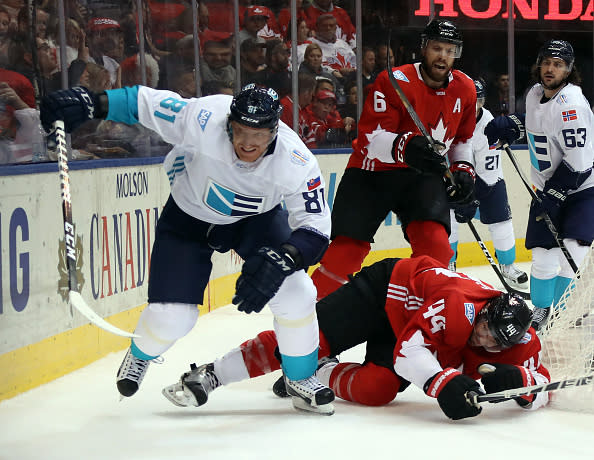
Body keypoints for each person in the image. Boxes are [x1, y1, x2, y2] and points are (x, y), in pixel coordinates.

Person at [39, 83, 333, 414]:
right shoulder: (205, 117)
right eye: (239, 131)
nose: (247, 143)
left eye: (259, 134)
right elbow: (144, 103)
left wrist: (286, 258)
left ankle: (300, 378)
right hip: (187, 218)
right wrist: (91, 102)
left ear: (274, 131)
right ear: (228, 124)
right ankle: (141, 353)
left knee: (297, 292)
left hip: (256, 221)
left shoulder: (295, 160)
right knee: (171, 319)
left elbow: (316, 228)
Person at [162, 255, 550, 420]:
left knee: (377, 390)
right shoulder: (458, 307)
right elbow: (409, 352)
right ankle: (211, 375)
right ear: (485, 309)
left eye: (495, 342)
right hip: (385, 294)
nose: (483, 339)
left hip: (410, 327)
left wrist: (523, 386)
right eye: (484, 326)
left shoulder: (516, 338)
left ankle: (314, 374)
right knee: (304, 344)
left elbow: (545, 380)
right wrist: (441, 382)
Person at [310, 19, 477, 300]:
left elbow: (462, 139)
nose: (443, 57)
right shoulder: (393, 81)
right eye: (437, 48)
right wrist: (406, 145)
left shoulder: (466, 89)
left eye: (450, 51)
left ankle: (424, 316)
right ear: (424, 48)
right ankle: (306, 318)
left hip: (421, 176)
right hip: (372, 173)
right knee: (345, 255)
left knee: (436, 249)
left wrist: (463, 169)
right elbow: (370, 139)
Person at [484, 39, 594, 331]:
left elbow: (580, 162)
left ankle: (562, 314)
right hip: (548, 190)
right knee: (543, 255)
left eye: (557, 64)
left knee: (572, 253)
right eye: (546, 62)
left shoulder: (572, 105)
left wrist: (556, 194)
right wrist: (512, 126)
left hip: (582, 190)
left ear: (568, 70)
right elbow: (536, 124)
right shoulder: (535, 94)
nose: (549, 69)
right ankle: (542, 311)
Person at [449, 78, 528, 287]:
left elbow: (488, 171)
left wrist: (472, 197)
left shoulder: (488, 125)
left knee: (502, 221)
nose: (474, 106)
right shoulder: (450, 119)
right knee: (448, 221)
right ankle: (448, 265)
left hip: (488, 180)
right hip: (455, 178)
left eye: (478, 101)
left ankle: (508, 266)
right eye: (469, 100)